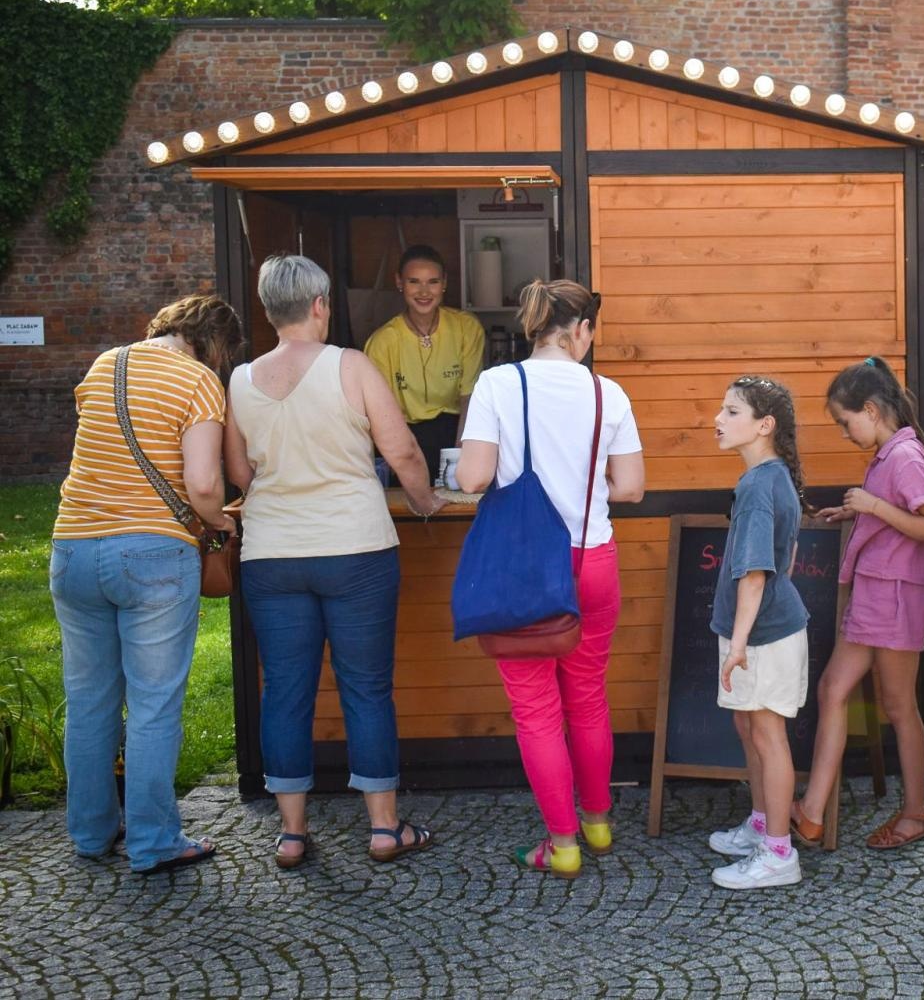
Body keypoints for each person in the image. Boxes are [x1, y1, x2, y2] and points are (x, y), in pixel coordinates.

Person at [225, 255, 446, 868]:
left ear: (270, 310)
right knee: (366, 688)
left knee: (285, 691)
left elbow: (239, 472)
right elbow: (402, 450)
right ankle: (384, 828)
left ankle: (292, 834)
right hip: (356, 548)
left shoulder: (239, 379)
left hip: (272, 555)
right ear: (321, 304)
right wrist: (425, 501)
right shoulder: (351, 365)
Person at [457, 279, 645, 879]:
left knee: (536, 710)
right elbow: (631, 487)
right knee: (587, 696)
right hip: (593, 560)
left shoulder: (498, 384)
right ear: (582, 331)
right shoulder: (607, 393)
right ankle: (598, 822)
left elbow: (472, 478)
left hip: (524, 572)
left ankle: (562, 844)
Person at [52, 294, 243, 875]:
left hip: (73, 547)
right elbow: (203, 485)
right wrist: (221, 522)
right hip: (152, 554)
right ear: (215, 345)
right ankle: (154, 841)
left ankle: (91, 833)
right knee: (154, 705)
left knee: (89, 702)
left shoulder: (103, 364)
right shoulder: (199, 380)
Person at [794, 358, 924, 850]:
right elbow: (896, 517)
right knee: (832, 689)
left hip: (896, 596)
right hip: (876, 594)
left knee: (898, 705)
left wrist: (872, 506)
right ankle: (811, 812)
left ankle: (916, 812)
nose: (844, 433)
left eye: (845, 422)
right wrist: (855, 514)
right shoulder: (889, 454)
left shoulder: (905, 456)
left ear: (872, 410)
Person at [705, 375, 810, 890]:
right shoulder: (771, 478)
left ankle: (779, 853)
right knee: (750, 728)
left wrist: (739, 644)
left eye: (732, 412)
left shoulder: (757, 486)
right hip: (760, 631)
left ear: (764, 425)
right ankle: (764, 825)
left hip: (763, 636)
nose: (718, 420)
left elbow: (756, 573)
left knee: (768, 737)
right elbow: (786, 557)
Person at [363, 244, 486, 484]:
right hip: (405, 437)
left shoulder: (466, 328)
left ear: (444, 283)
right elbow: (384, 414)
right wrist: (403, 460)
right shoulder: (382, 342)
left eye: (433, 282)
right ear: (399, 282)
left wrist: (459, 457)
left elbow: (469, 398)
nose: (424, 291)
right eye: (414, 282)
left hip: (456, 432)